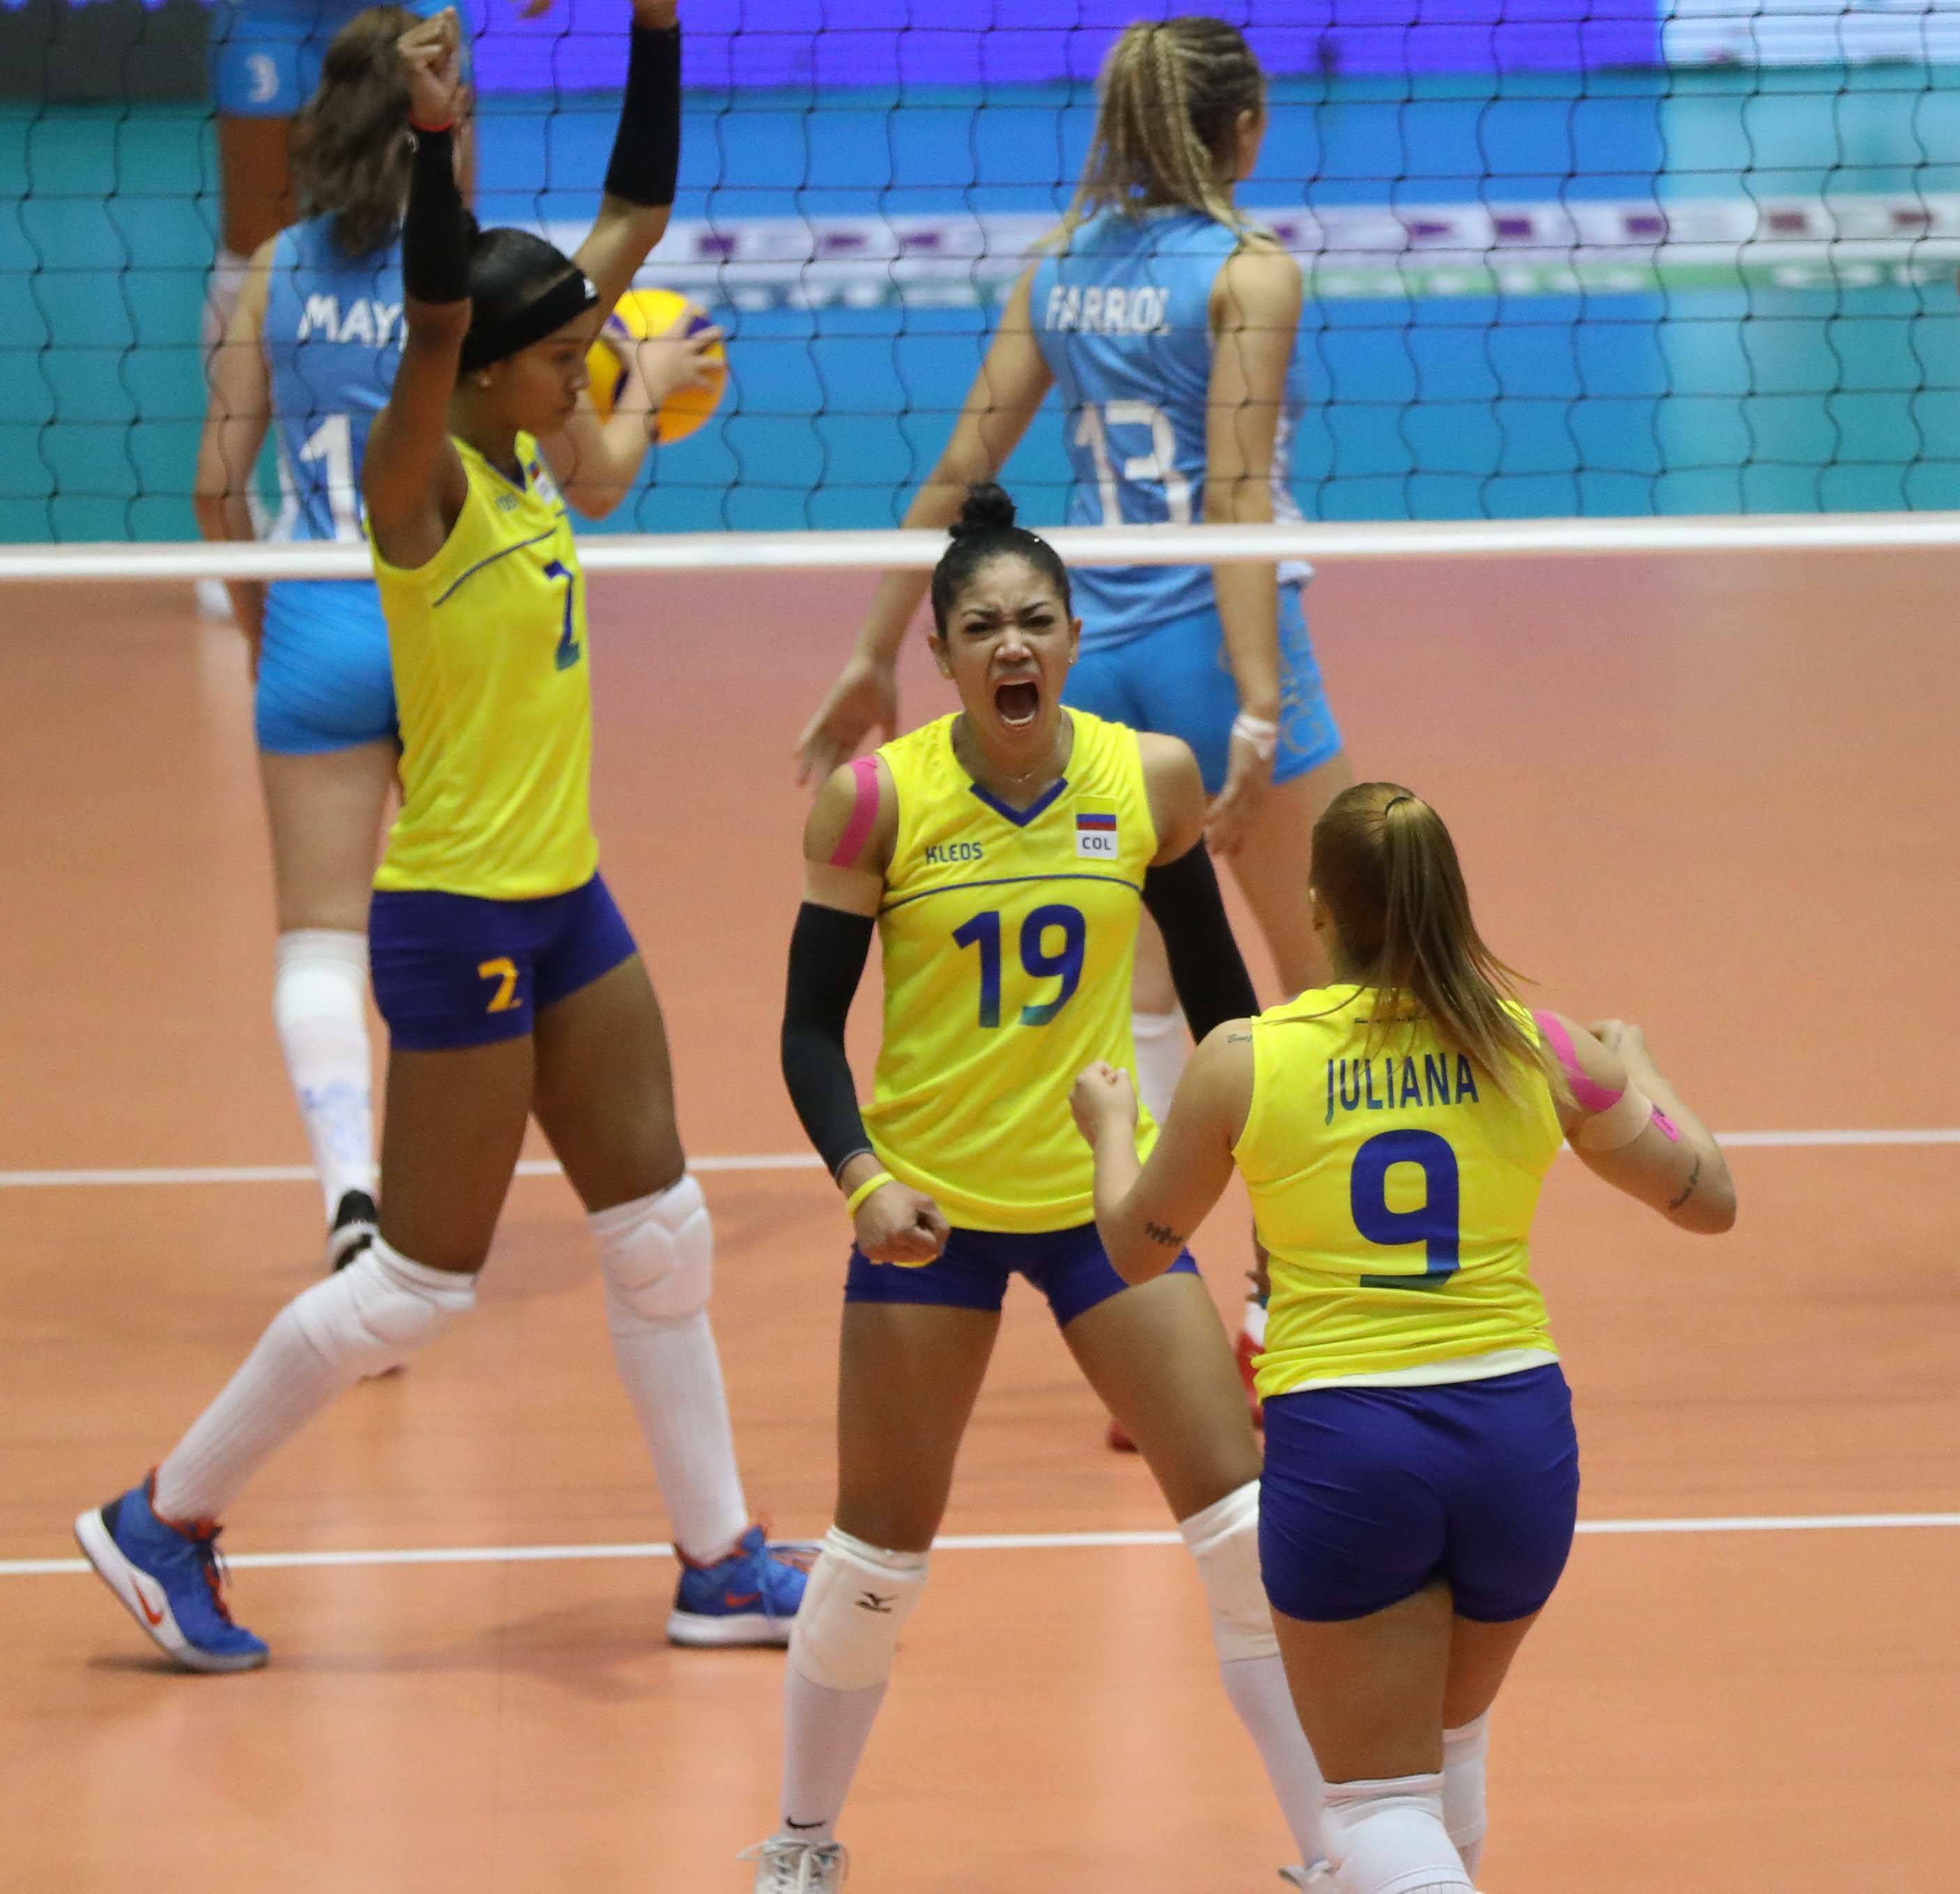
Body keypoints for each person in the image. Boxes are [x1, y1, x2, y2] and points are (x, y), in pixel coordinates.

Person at [77, 1, 806, 1674]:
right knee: (420, 1287)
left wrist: (655, 29)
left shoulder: (531, 436)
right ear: (478, 373)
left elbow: (630, 219)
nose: (591, 375)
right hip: (459, 911)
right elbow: (422, 322)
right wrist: (421, 141)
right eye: (562, 361)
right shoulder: (424, 485)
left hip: (566, 899)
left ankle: (716, 1561)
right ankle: (161, 1520)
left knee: (661, 1230)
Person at [749, 483, 1329, 1892]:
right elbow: (807, 1030)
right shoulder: (876, 798)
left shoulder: (1150, 779)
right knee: (876, 1560)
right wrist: (858, 1183)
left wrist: (1239, 1179)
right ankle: (800, 1845)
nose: (1009, 646)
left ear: (1071, 637)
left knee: (1244, 1528)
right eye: (978, 628)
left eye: (1032, 622)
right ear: (940, 659)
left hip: (1099, 1213)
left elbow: (1214, 999)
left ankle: (1335, 1853)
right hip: (928, 1221)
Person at [795, 16, 1351, 1428]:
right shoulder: (1248, 271)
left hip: (1092, 667)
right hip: (1222, 656)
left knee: (1140, 1002)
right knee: (1309, 1000)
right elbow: (1235, 498)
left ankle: (1143, 1277)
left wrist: (874, 648)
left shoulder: (1060, 270)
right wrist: (1260, 702)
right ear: (1240, 133)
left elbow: (960, 466)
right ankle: (1273, 1311)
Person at [1072, 780, 1738, 1894]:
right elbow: (1708, 1197)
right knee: (1448, 1746)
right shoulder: (1543, 1047)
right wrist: (1645, 1066)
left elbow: (1137, 1251)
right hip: (1518, 1444)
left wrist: (1107, 1128)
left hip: (1351, 1444)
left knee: (1376, 1803)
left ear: (1321, 908)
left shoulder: (1249, 1056)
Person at [194, 3, 724, 1272]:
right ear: (444, 127)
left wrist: (278, 639)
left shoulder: (274, 269)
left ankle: (352, 1197)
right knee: (495, 900)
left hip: (324, 620)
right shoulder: (501, 299)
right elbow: (592, 481)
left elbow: (219, 488)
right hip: (468, 636)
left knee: (317, 934)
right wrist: (642, 392)